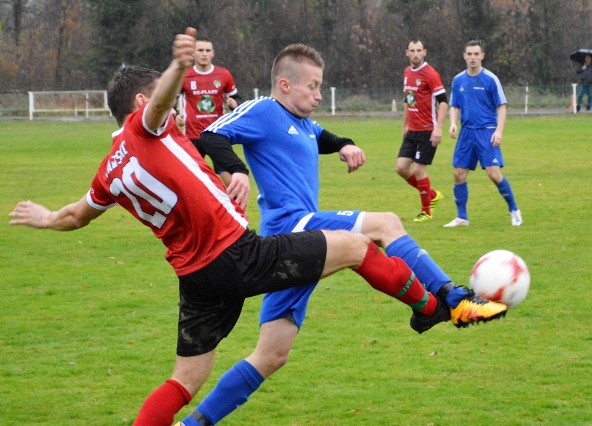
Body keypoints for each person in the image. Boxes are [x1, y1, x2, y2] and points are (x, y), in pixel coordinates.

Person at [8, 29, 454, 426]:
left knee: (183, 382)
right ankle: (429, 305)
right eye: (172, 102)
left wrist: (45, 217)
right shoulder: (147, 129)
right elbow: (159, 104)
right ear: (143, 105)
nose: (179, 111)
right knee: (357, 247)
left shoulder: (108, 171)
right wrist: (178, 66)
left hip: (195, 281)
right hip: (238, 255)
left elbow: (77, 215)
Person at [176, 43, 508, 426]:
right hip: (291, 226)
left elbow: (321, 137)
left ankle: (193, 424)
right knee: (386, 224)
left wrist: (345, 144)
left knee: (271, 356)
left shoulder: (299, 120)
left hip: (296, 241)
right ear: (284, 84)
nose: (319, 95)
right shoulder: (264, 110)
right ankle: (450, 300)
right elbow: (212, 136)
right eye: (312, 87)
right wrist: (235, 169)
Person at [445, 40, 522, 228]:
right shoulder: (458, 80)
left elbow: (501, 106)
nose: (472, 57)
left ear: (482, 56)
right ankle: (462, 217)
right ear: (464, 56)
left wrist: (499, 131)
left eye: (476, 54)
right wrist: (453, 123)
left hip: (487, 132)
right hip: (467, 133)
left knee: (494, 174)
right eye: (469, 54)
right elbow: (454, 105)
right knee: (458, 173)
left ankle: (514, 209)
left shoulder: (490, 79)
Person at [176, 38, 242, 185]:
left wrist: (234, 104)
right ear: (193, 54)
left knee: (231, 181)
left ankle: (235, 207)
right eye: (200, 50)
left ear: (213, 53)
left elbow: (236, 99)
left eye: (207, 50)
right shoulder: (185, 76)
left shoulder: (223, 75)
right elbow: (171, 100)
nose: (204, 54)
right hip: (192, 136)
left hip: (216, 134)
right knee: (189, 182)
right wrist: (176, 116)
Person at [396, 39, 448, 222]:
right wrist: (405, 125)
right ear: (407, 53)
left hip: (428, 130)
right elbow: (408, 100)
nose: (416, 53)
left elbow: (444, 102)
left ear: (424, 52)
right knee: (401, 168)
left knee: (419, 170)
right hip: (413, 131)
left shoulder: (430, 74)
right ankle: (432, 195)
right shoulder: (407, 72)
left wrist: (438, 129)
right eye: (412, 50)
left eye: (419, 50)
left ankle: (426, 211)